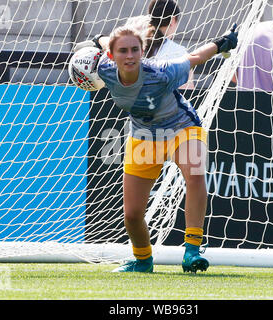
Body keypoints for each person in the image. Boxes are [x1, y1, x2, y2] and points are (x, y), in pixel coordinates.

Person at [92, 24, 238, 273]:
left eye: (135, 50)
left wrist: (222, 43)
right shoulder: (103, 69)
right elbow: (106, 42)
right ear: (111, 55)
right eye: (123, 51)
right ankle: (142, 261)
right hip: (144, 136)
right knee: (132, 215)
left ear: (143, 51)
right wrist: (99, 38)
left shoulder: (161, 72)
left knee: (194, 175)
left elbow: (193, 58)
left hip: (182, 127)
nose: (129, 56)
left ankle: (192, 251)